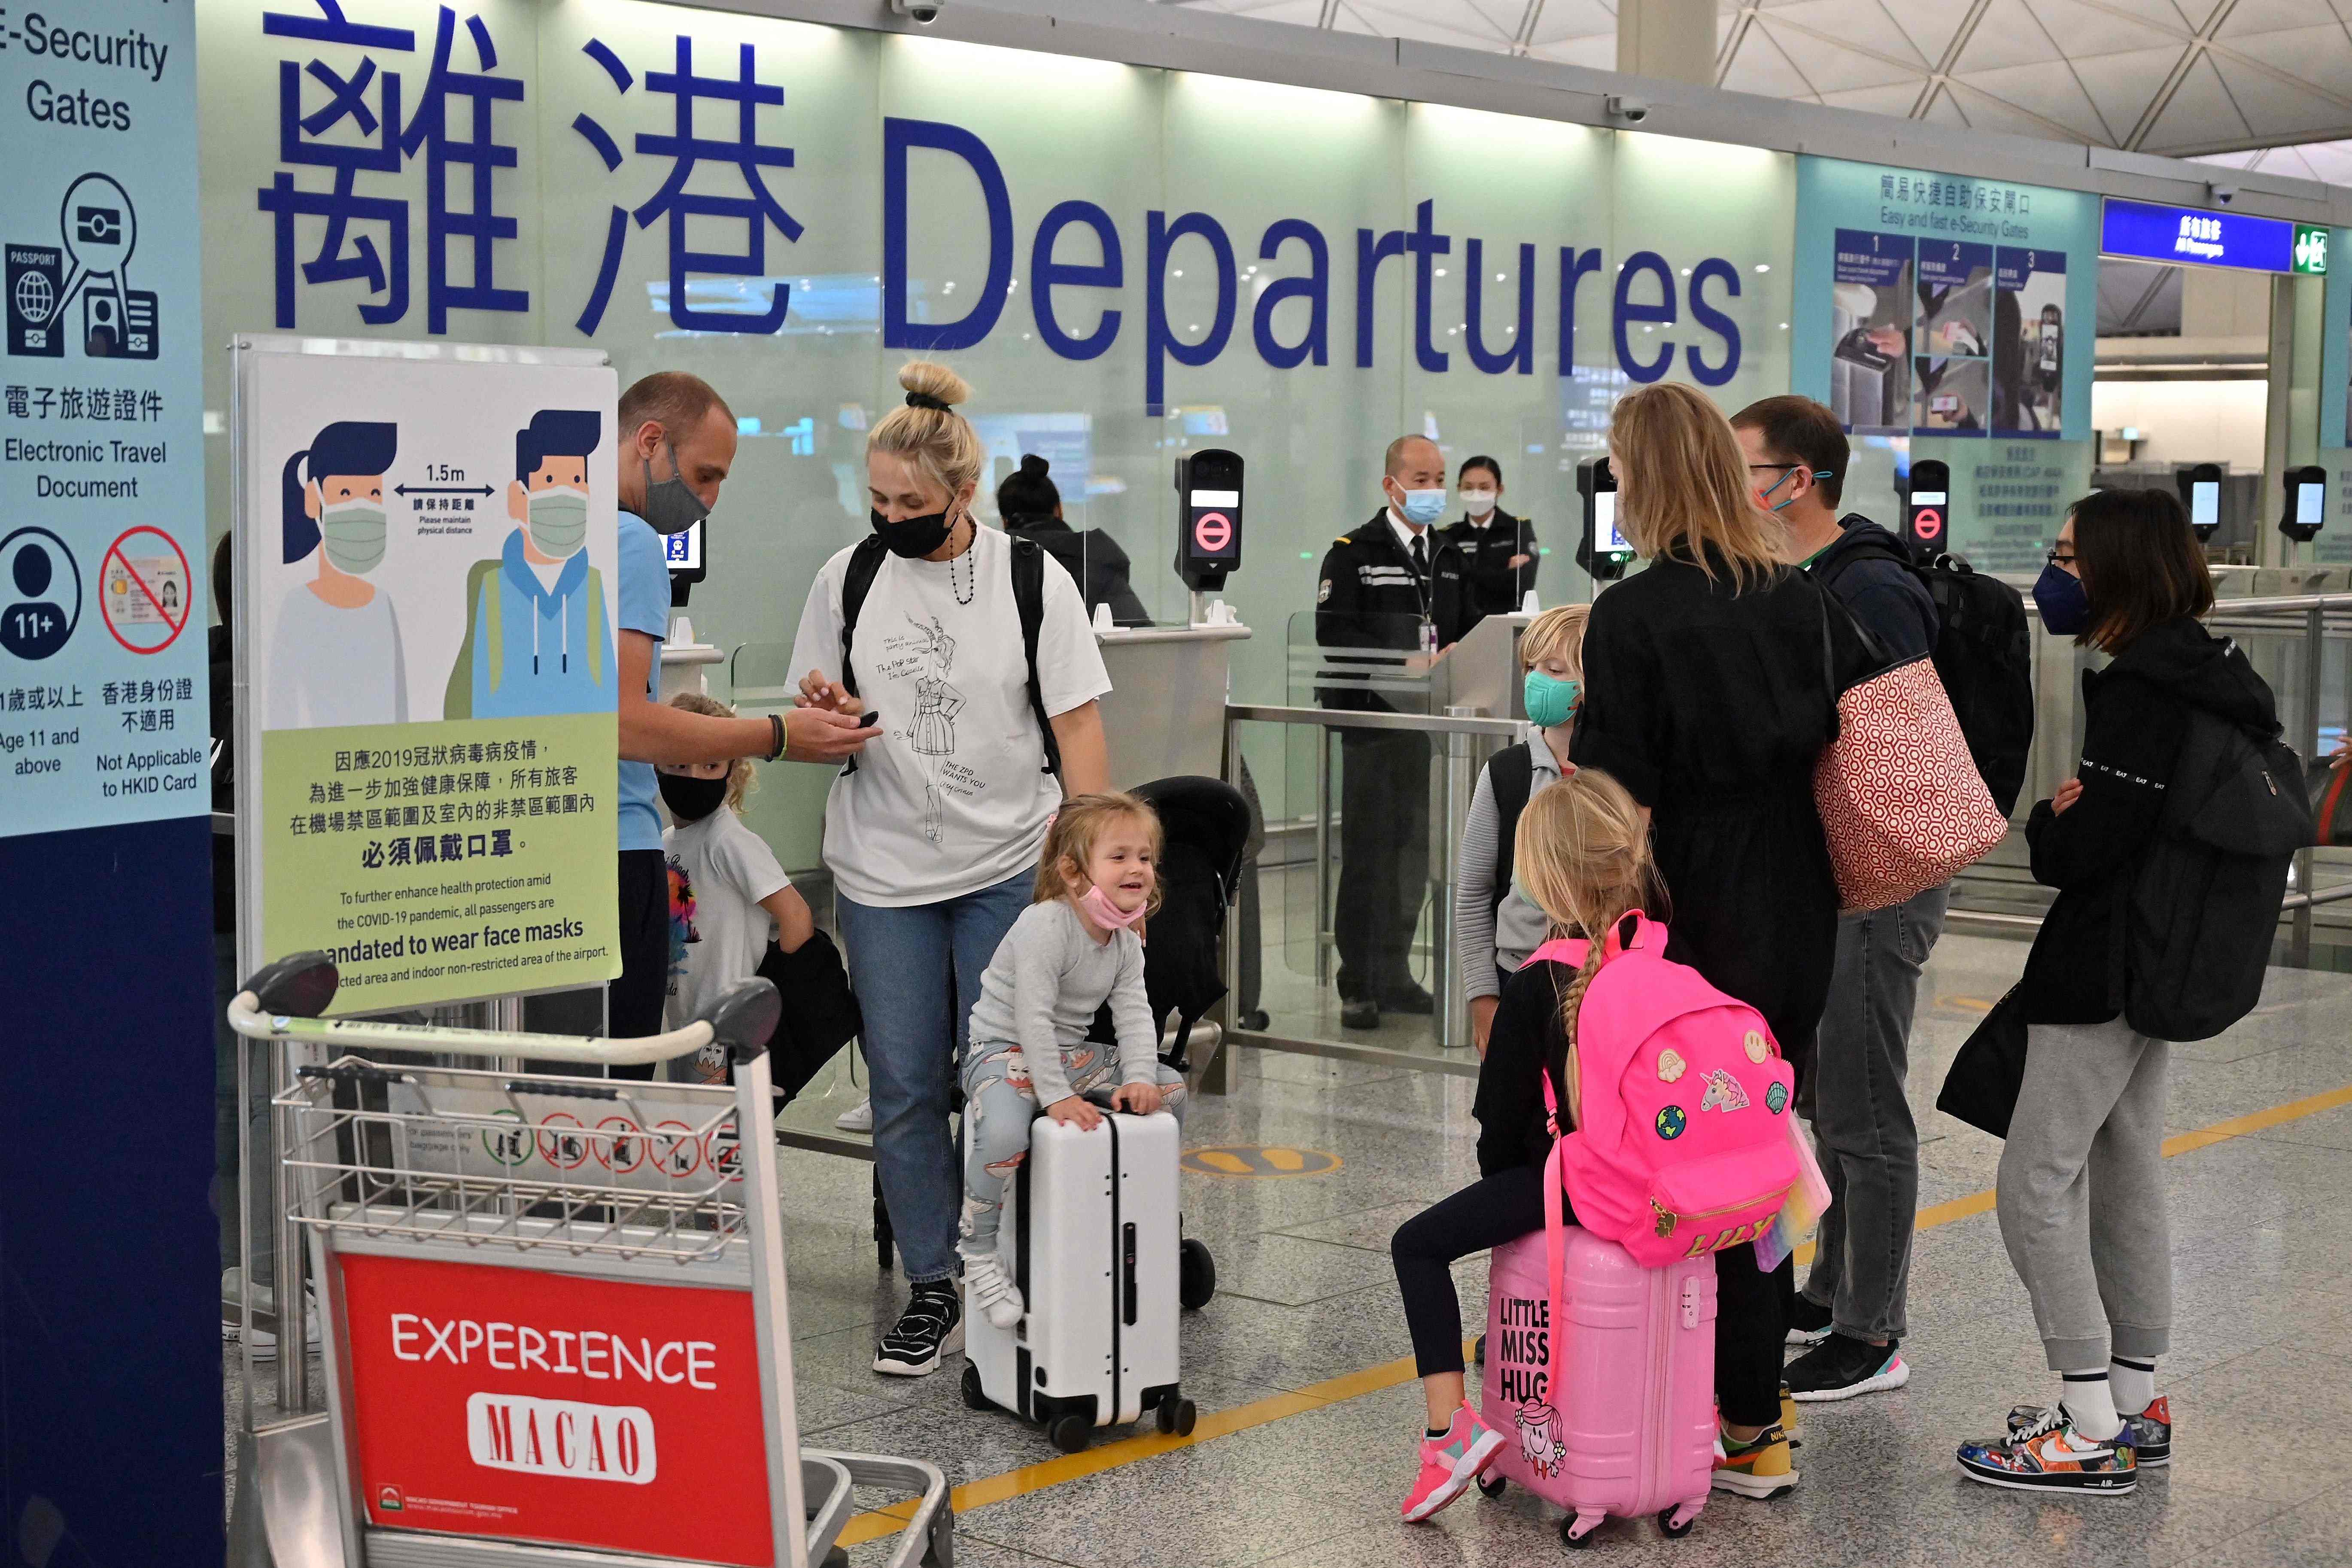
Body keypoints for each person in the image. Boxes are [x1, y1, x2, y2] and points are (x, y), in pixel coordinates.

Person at [1570, 380, 1876, 1498]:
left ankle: (1652, 1391)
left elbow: (1618, 800)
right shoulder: (1792, 597)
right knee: (1757, 1150)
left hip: (1686, 911)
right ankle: (1753, 1422)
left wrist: (1595, 938)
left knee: (1659, 1151)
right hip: (1792, 900)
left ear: (1642, 478)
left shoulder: (1633, 613)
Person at [788, 361, 1113, 1377]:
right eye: (877, 499)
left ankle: (1012, 1262)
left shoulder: (1031, 579)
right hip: (882, 872)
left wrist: (1094, 876)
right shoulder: (846, 576)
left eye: (913, 503)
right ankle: (932, 1281)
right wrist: (825, 720)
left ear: (962, 493)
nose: (891, 517)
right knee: (902, 1083)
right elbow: (813, 722)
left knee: (1008, 1077)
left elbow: (1077, 726)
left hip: (1007, 865)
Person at [1955, 489, 2261, 1495]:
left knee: (2031, 1183)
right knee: (2127, 1165)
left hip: (2102, 961)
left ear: (2119, 568)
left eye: (2068, 555)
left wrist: (2048, 818)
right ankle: (2130, 1397)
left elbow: (2086, 846)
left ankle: (2084, 1421)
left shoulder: (2138, 690)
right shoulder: (2213, 672)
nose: (2055, 572)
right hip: (2165, 955)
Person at [1731, 395, 1942, 1403]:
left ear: (1796, 478)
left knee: (1864, 1103)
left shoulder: (1871, 587)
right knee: (1825, 1096)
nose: (1737, 486)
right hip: (1825, 872)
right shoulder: (1797, 577)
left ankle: (1873, 1329)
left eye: (1746, 467)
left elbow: (1899, 750)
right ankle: (1830, 1286)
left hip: (1883, 868)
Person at [1389, 771, 1656, 1522]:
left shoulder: (1538, 983)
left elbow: (1500, 1131)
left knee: (1416, 1244)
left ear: (1541, 876)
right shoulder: (1655, 957)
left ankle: (1449, 1429)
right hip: (1648, 1185)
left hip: (1569, 1181)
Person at [608, 372, 870, 1072]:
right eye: (704, 475)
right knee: (620, 1090)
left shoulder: (548, 543)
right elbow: (624, 724)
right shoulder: (631, 542)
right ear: (650, 441)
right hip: (612, 853)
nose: (709, 501)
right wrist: (779, 734)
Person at [958, 793, 1190, 1327]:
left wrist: (1137, 1078)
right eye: (1119, 857)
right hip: (1002, 1051)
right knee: (1003, 1135)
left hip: (1070, 1056)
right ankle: (978, 1250)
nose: (1137, 868)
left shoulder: (1125, 939)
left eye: (1146, 857)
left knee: (1170, 1090)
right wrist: (1058, 1095)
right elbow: (1031, 1019)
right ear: (1072, 870)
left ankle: (1142, 1215)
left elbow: (1135, 1016)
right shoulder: (1046, 925)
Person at [1315, 435, 1471, 1031]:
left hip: (1429, 728)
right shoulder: (1354, 552)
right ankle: (1358, 982)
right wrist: (1398, 663)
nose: (1433, 490)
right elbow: (1334, 634)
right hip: (1373, 726)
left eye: (1439, 478)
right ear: (1391, 485)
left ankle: (1396, 973)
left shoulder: (1449, 555)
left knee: (1412, 856)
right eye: (1421, 478)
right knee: (1369, 855)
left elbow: (1465, 629)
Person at [657, 693, 816, 1081]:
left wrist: (767, 1004)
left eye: (711, 764)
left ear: (732, 770)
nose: (693, 776)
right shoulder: (666, 842)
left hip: (726, 1027)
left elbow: (796, 916)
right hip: (687, 1021)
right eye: (679, 763)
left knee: (724, 1134)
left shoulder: (728, 841)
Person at [1453, 605, 1587, 1056]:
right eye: (1531, 667)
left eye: (1554, 669)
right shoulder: (1506, 773)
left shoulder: (1623, 780)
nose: (1536, 680)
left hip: (1601, 981)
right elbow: (1474, 893)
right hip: (1518, 978)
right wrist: (1483, 997)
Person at [447, 409, 614, 719]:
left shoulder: (593, 586)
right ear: (518, 498)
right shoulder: (493, 588)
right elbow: (481, 701)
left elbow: (606, 699)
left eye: (577, 480)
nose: (567, 493)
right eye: (550, 480)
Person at [267, 420, 407, 729]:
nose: (362, 505)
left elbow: (400, 713)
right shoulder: (298, 607)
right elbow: (281, 710)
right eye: (345, 492)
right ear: (313, 499)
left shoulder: (383, 605)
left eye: (374, 492)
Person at [997, 454, 1152, 627]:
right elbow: (1139, 640)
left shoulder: (992, 565)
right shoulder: (1096, 560)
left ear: (1004, 521)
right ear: (1059, 510)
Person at [1439, 455, 1537, 628]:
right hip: (1460, 631)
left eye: (1484, 488)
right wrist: (1503, 571)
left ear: (1499, 490)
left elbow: (1522, 582)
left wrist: (1468, 574)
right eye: (1468, 488)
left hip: (1505, 626)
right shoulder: (1450, 535)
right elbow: (1446, 588)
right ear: (1459, 489)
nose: (1476, 494)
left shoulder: (1518, 529)